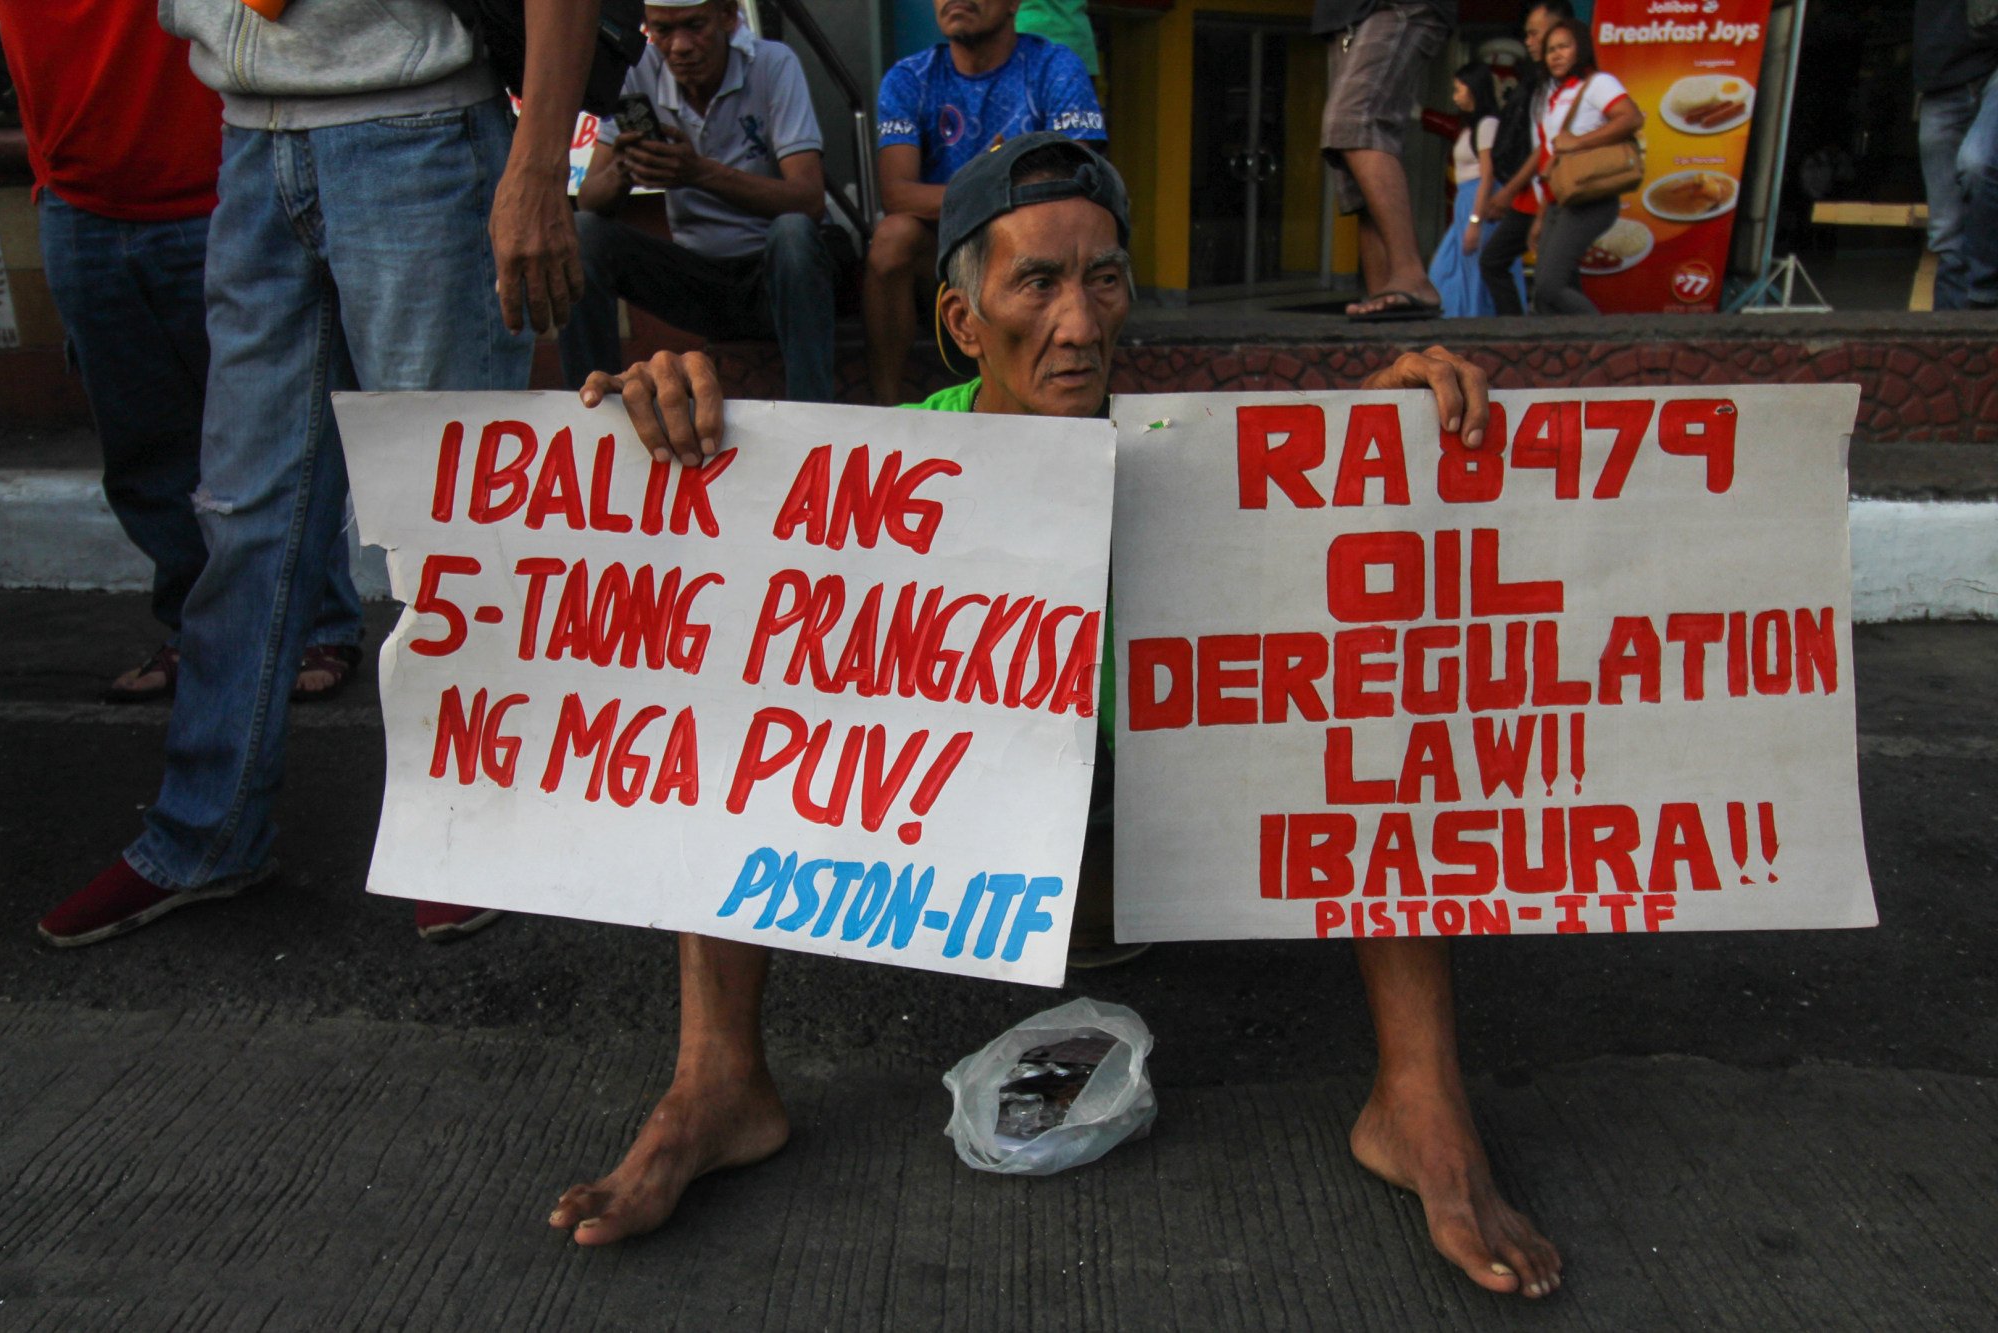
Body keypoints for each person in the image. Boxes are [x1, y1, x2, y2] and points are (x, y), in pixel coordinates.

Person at [550, 133, 1564, 1302]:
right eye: (1035, 283)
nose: (1079, 324)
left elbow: (1323, 564)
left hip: (1144, 860)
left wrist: (1383, 453)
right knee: (724, 679)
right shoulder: (883, 473)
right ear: (962, 320)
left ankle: (1419, 1099)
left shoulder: (1190, 460)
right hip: (964, 859)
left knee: (1385, 674)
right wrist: (660, 444)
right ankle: (715, 1080)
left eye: (1103, 280)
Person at [35, 0, 599, 949]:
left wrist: (540, 164)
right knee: (242, 509)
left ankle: (473, 827)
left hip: (416, 125)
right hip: (252, 131)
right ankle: (205, 831)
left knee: (447, 518)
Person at [0, 0, 366, 705]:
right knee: (143, 451)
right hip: (75, 195)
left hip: (219, 183)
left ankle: (316, 622)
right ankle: (198, 631)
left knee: (270, 438)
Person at [558, 0, 838, 401]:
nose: (680, 47)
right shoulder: (638, 69)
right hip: (696, 279)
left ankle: (812, 413)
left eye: (694, 26)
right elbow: (590, 201)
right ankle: (590, 405)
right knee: (583, 232)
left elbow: (809, 199)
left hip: (773, 277)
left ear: (727, 16)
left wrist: (699, 173)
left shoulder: (773, 64)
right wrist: (626, 167)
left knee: (793, 232)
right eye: (663, 31)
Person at [863, 0, 1106, 406]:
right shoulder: (909, 78)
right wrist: (994, 185)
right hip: (941, 258)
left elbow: (1071, 182)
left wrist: (993, 190)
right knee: (892, 239)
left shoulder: (1056, 67)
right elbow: (898, 194)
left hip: (1032, 255)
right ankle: (885, 407)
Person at [1316, 0, 1455, 321]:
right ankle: (1384, 293)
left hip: (1399, 6)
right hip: (1345, 14)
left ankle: (1411, 274)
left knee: (1353, 122)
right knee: (1354, 162)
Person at [1518, 19, 1641, 316]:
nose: (1556, 55)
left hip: (1590, 196)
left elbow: (1631, 118)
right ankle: (1574, 344)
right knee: (1546, 298)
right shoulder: (1554, 95)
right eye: (1550, 50)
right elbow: (1551, 163)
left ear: (1581, 49)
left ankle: (1607, 337)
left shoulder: (1598, 83)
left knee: (1549, 287)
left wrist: (1579, 142)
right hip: (1559, 200)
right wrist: (1540, 217)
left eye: (1564, 47)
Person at [1480, 0, 1571, 317]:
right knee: (1502, 264)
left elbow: (1546, 146)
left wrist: (1508, 190)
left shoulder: (1568, 84)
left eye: (1535, 34)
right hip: (1533, 192)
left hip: (1553, 190)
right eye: (1527, 34)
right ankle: (1522, 335)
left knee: (1552, 283)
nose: (1528, 42)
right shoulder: (1539, 81)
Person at [1914, 0, 1998, 309]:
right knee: (1945, 229)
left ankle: (1985, 296)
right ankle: (1949, 327)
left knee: (1977, 163)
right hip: (1941, 72)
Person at [1427, 62, 1520, 317]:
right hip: (1465, 202)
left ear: (1474, 89)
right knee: (1445, 269)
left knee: (1476, 273)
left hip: (1478, 201)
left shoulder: (1487, 124)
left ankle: (1480, 318)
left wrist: (1475, 221)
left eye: (1459, 89)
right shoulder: (1469, 126)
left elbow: (1487, 175)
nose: (1455, 96)